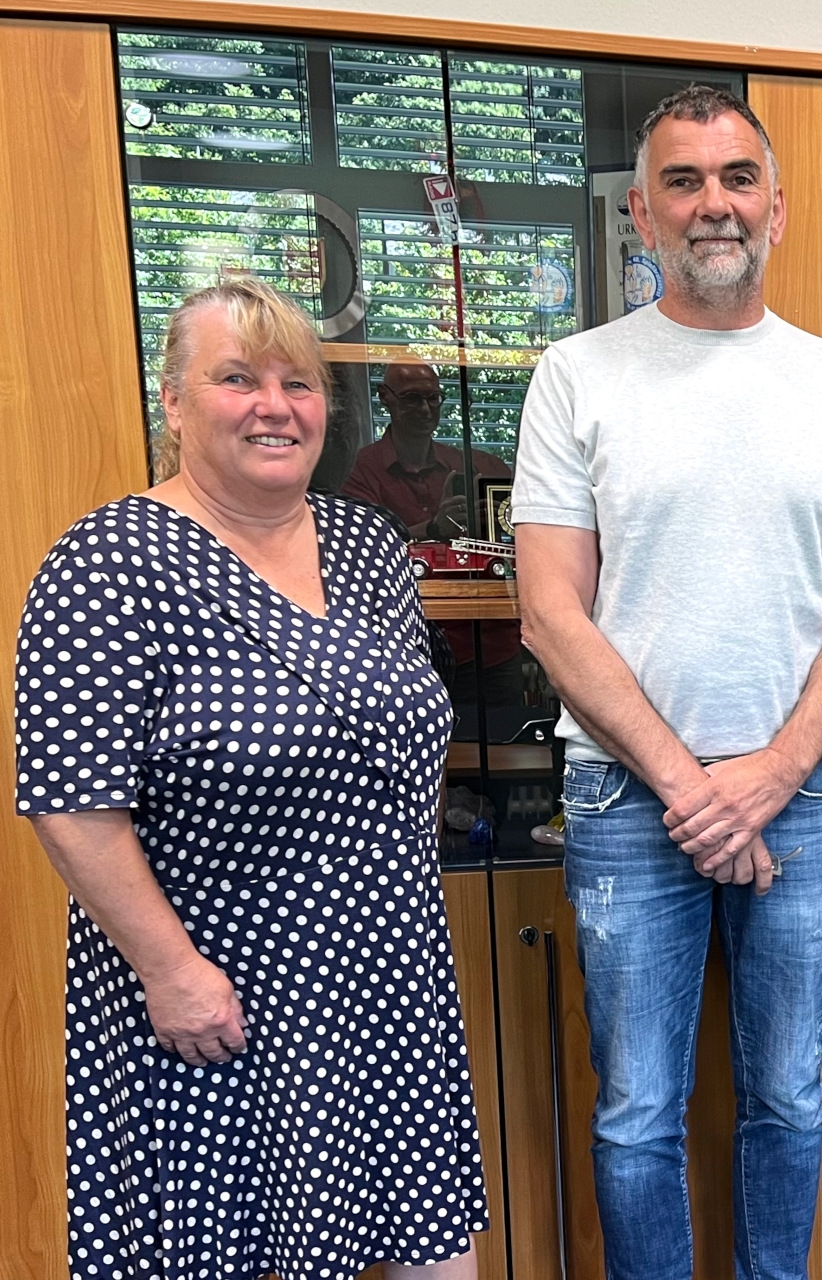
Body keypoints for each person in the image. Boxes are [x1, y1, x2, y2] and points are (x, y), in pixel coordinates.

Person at [15, 277, 487, 1280]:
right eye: (238, 377)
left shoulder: (365, 546)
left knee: (431, 1249)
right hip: (216, 988)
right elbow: (70, 799)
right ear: (174, 399)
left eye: (298, 382)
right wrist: (172, 971)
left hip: (380, 974)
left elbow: (403, 725)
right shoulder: (104, 562)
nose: (276, 405)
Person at [512, 85, 822, 1280]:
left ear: (777, 209)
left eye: (736, 179)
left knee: (790, 1093)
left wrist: (773, 773)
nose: (712, 204)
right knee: (636, 1107)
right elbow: (549, 610)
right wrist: (694, 788)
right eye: (682, 182)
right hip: (632, 805)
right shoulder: (576, 376)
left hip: (809, 794)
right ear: (641, 212)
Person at [341, 359, 522, 707]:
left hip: (491, 643)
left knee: (507, 750)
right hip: (404, 649)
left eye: (433, 398)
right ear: (385, 398)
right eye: (411, 398)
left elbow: (519, 536)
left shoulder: (484, 467)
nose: (425, 409)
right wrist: (433, 529)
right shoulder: (360, 471)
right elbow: (359, 552)